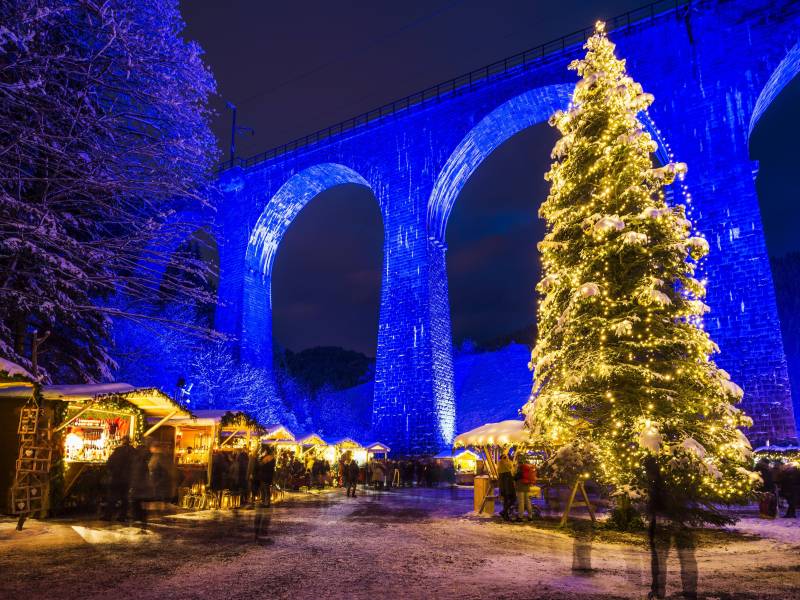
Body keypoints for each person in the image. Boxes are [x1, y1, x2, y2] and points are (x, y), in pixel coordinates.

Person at [103, 436, 135, 521]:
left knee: (112, 497)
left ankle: (108, 515)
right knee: (125, 498)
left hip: (117, 477)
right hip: (127, 478)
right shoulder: (133, 452)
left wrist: (111, 471)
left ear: (122, 441)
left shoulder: (118, 450)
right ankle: (122, 516)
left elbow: (110, 462)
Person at [514, 453, 538, 521]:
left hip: (520, 486)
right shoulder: (529, 467)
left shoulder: (520, 467)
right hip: (527, 486)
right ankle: (530, 516)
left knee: (521, 502)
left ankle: (520, 517)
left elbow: (516, 477)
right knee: (528, 501)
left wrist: (514, 476)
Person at [497, 452, 516, 521]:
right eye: (505, 457)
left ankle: (505, 513)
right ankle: (504, 513)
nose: (507, 458)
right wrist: (507, 460)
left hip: (505, 485)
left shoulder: (501, 464)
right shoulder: (503, 464)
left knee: (507, 500)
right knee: (512, 498)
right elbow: (510, 466)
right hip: (507, 484)